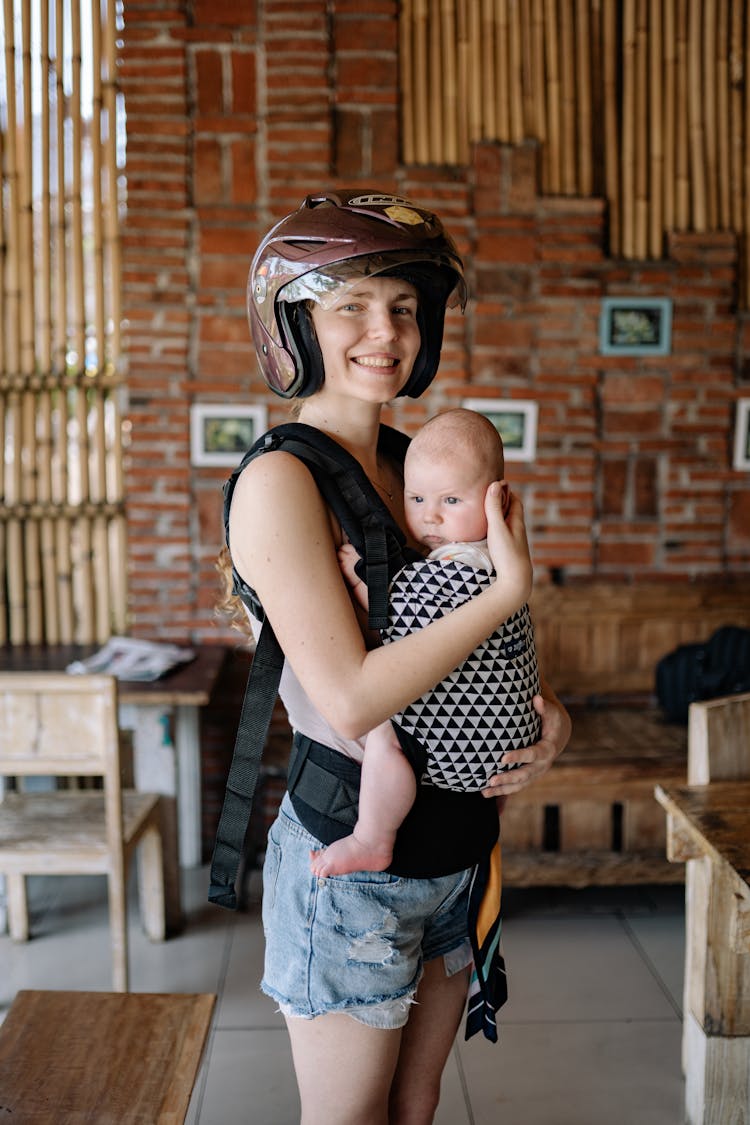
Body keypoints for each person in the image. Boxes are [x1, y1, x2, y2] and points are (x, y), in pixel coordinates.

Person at [220, 190, 570, 1125]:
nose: (387, 331)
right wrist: (506, 587)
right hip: (353, 868)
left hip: (455, 852)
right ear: (294, 322)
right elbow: (353, 691)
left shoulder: (421, 464)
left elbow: (484, 645)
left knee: (415, 1109)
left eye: (404, 307)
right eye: (352, 306)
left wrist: (549, 715)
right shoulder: (280, 482)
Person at [310, 407, 541, 878]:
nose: (429, 515)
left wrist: (362, 582)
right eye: (416, 498)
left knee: (384, 737)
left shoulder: (465, 564)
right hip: (502, 733)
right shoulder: (498, 555)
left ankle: (373, 837)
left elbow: (414, 614)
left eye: (451, 500)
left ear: (497, 499)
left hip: (468, 742)